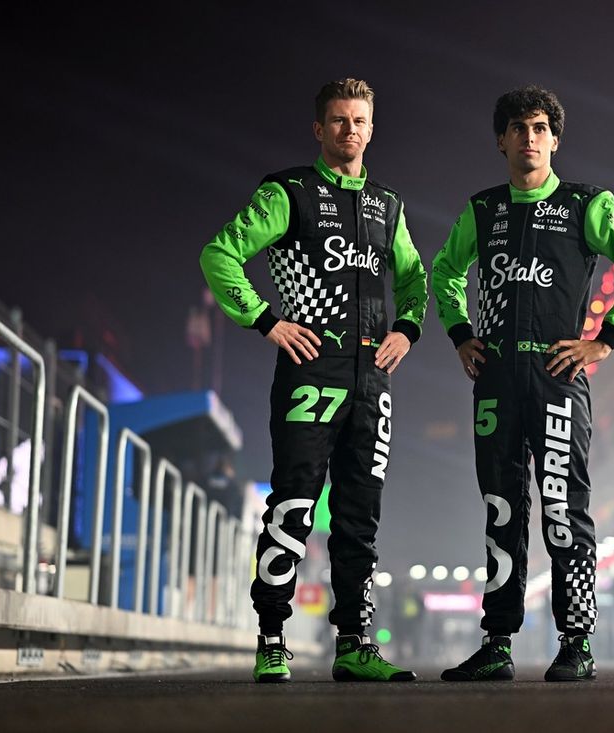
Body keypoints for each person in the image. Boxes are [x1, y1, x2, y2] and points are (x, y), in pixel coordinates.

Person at [431, 85, 614, 682]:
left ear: (555, 139)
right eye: (518, 128)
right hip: (495, 379)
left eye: (540, 128)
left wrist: (604, 340)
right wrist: (460, 333)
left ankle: (577, 642)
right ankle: (497, 645)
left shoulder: (588, 204)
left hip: (558, 377)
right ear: (501, 140)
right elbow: (444, 271)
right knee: (501, 509)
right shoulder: (483, 209)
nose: (529, 138)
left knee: (563, 508)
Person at [199, 78, 427, 683]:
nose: (349, 129)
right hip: (310, 370)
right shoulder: (289, 192)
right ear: (318, 128)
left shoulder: (388, 204)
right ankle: (272, 638)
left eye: (359, 120)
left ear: (372, 129)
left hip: (372, 378)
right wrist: (266, 320)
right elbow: (220, 255)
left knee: (360, 516)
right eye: (338, 120)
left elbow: (415, 278)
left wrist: (407, 329)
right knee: (294, 503)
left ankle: (354, 645)